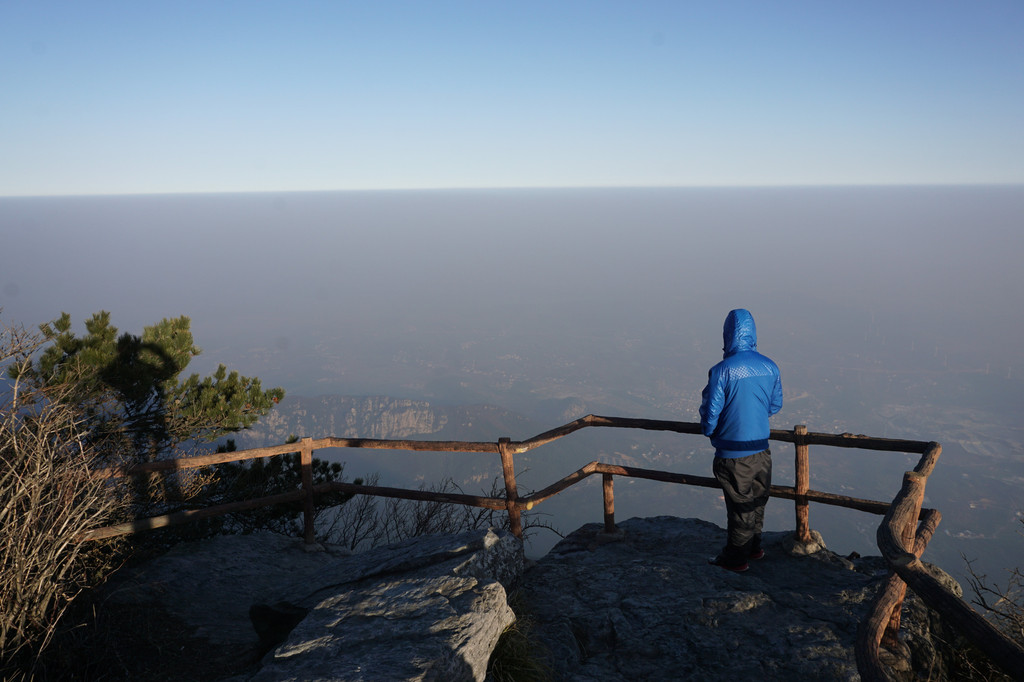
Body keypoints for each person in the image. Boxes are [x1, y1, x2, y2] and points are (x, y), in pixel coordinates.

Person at [699, 309, 783, 572]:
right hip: (762, 449)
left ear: (727, 336)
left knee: (740, 508)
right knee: (758, 501)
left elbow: (711, 412)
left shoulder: (722, 371)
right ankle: (755, 547)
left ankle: (736, 559)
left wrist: (710, 430)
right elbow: (775, 405)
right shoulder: (770, 366)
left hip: (733, 453)